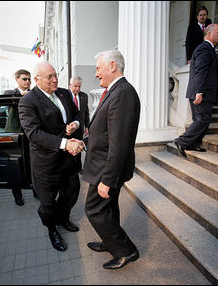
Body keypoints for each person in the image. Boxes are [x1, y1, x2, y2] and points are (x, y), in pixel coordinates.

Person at [83, 49, 141, 270]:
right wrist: (85, 141)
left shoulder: (123, 93)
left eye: (98, 68)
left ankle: (126, 251)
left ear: (112, 66)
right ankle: (111, 241)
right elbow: (105, 131)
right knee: (108, 208)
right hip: (104, 165)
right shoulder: (114, 91)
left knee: (95, 210)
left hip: (106, 170)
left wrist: (108, 179)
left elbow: (119, 143)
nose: (96, 74)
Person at [18, 61, 85, 252]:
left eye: (55, 75)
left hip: (69, 160)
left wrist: (75, 124)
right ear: (37, 79)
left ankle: (64, 219)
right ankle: (51, 229)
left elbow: (79, 114)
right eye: (50, 77)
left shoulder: (63, 93)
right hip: (46, 164)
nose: (55, 79)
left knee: (71, 192)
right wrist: (65, 144)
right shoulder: (28, 101)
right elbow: (34, 133)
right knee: (47, 203)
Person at [174, 24, 218, 158]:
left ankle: (193, 144)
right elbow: (200, 72)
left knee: (200, 119)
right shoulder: (204, 49)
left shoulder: (208, 49)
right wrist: (199, 92)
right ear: (209, 34)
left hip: (201, 92)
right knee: (203, 119)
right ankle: (182, 141)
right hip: (202, 92)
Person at [3, 69, 35, 206]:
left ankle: (35, 189)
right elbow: (6, 97)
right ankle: (17, 195)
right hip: (15, 135)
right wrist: (20, 95)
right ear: (17, 79)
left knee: (32, 163)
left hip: (30, 135)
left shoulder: (34, 94)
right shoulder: (11, 93)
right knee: (15, 166)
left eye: (29, 79)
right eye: (24, 79)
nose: (27, 81)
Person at [69, 76, 90, 173]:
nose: (77, 89)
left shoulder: (84, 96)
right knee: (70, 148)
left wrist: (87, 126)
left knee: (79, 147)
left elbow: (86, 112)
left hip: (80, 127)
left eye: (79, 86)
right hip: (69, 128)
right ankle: (71, 168)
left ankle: (78, 168)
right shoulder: (65, 95)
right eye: (75, 86)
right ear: (70, 85)